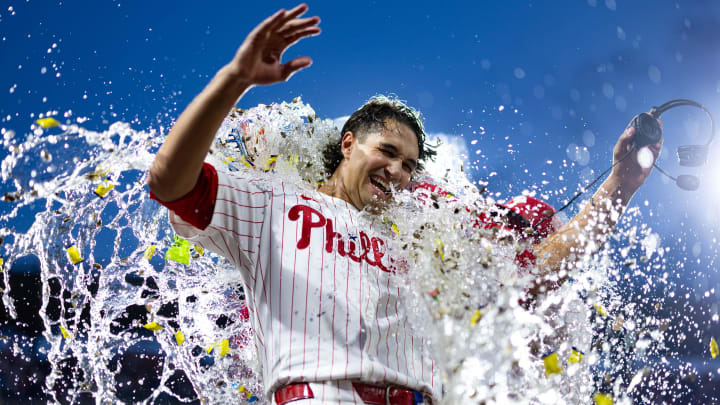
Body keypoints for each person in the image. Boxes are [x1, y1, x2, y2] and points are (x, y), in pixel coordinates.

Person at [147, 4, 662, 404]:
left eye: (409, 165)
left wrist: (623, 183)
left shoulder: (420, 237)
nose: (398, 171)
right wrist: (234, 78)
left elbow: (538, 273)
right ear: (348, 143)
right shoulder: (274, 201)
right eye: (387, 152)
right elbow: (171, 181)